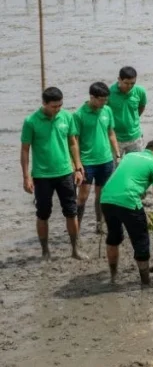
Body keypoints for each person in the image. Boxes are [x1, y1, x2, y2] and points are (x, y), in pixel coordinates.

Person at [21, 87, 86, 260]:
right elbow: (25, 150)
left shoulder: (67, 116)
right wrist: (26, 177)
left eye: (60, 105)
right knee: (43, 213)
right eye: (53, 106)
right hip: (42, 176)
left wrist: (78, 167)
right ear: (44, 104)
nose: (57, 109)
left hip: (66, 173)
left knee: (71, 212)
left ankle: (75, 249)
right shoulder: (30, 121)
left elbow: (73, 142)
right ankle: (45, 251)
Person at [100, 139, 153, 285]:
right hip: (129, 200)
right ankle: (145, 282)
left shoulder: (130, 156)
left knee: (113, 237)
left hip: (106, 197)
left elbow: (128, 177)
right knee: (141, 241)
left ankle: (113, 276)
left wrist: (141, 190)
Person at [71, 82, 119, 233]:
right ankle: (76, 229)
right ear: (92, 97)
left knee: (102, 195)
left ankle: (100, 224)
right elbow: (74, 141)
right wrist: (77, 165)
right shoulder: (79, 115)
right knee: (83, 196)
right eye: (101, 100)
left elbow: (111, 133)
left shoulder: (107, 110)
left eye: (106, 100)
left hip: (105, 161)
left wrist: (116, 153)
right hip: (87, 163)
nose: (104, 103)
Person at [108, 66, 147, 155]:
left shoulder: (140, 92)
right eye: (126, 83)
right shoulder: (109, 93)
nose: (129, 86)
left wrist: (133, 120)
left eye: (132, 83)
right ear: (119, 79)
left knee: (136, 167)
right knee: (116, 167)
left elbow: (141, 107)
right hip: (116, 139)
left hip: (135, 138)